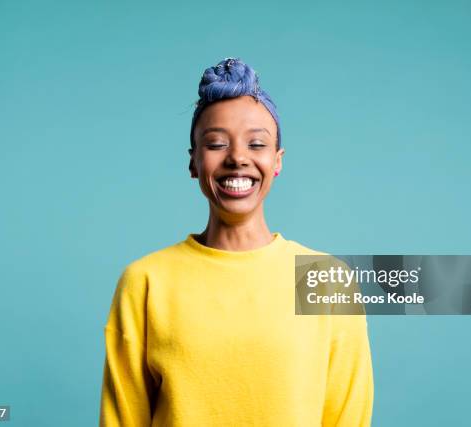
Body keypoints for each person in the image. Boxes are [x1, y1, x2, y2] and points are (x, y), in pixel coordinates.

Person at [99, 57, 374, 426]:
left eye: (256, 143)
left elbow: (347, 417)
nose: (238, 158)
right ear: (194, 162)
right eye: (216, 144)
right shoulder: (146, 282)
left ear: (277, 161)